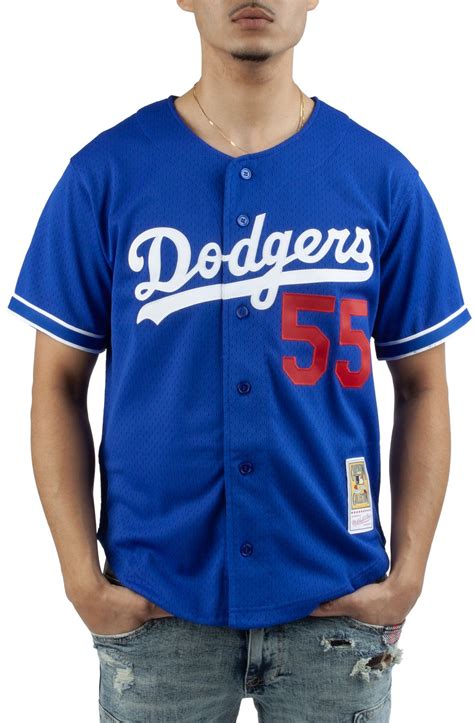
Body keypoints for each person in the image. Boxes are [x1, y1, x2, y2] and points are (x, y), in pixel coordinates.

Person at [7, 1, 471, 721]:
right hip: (158, 604)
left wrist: (408, 575)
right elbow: (57, 384)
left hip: (337, 601)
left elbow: (423, 386)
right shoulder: (106, 172)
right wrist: (80, 581)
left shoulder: (381, 177)